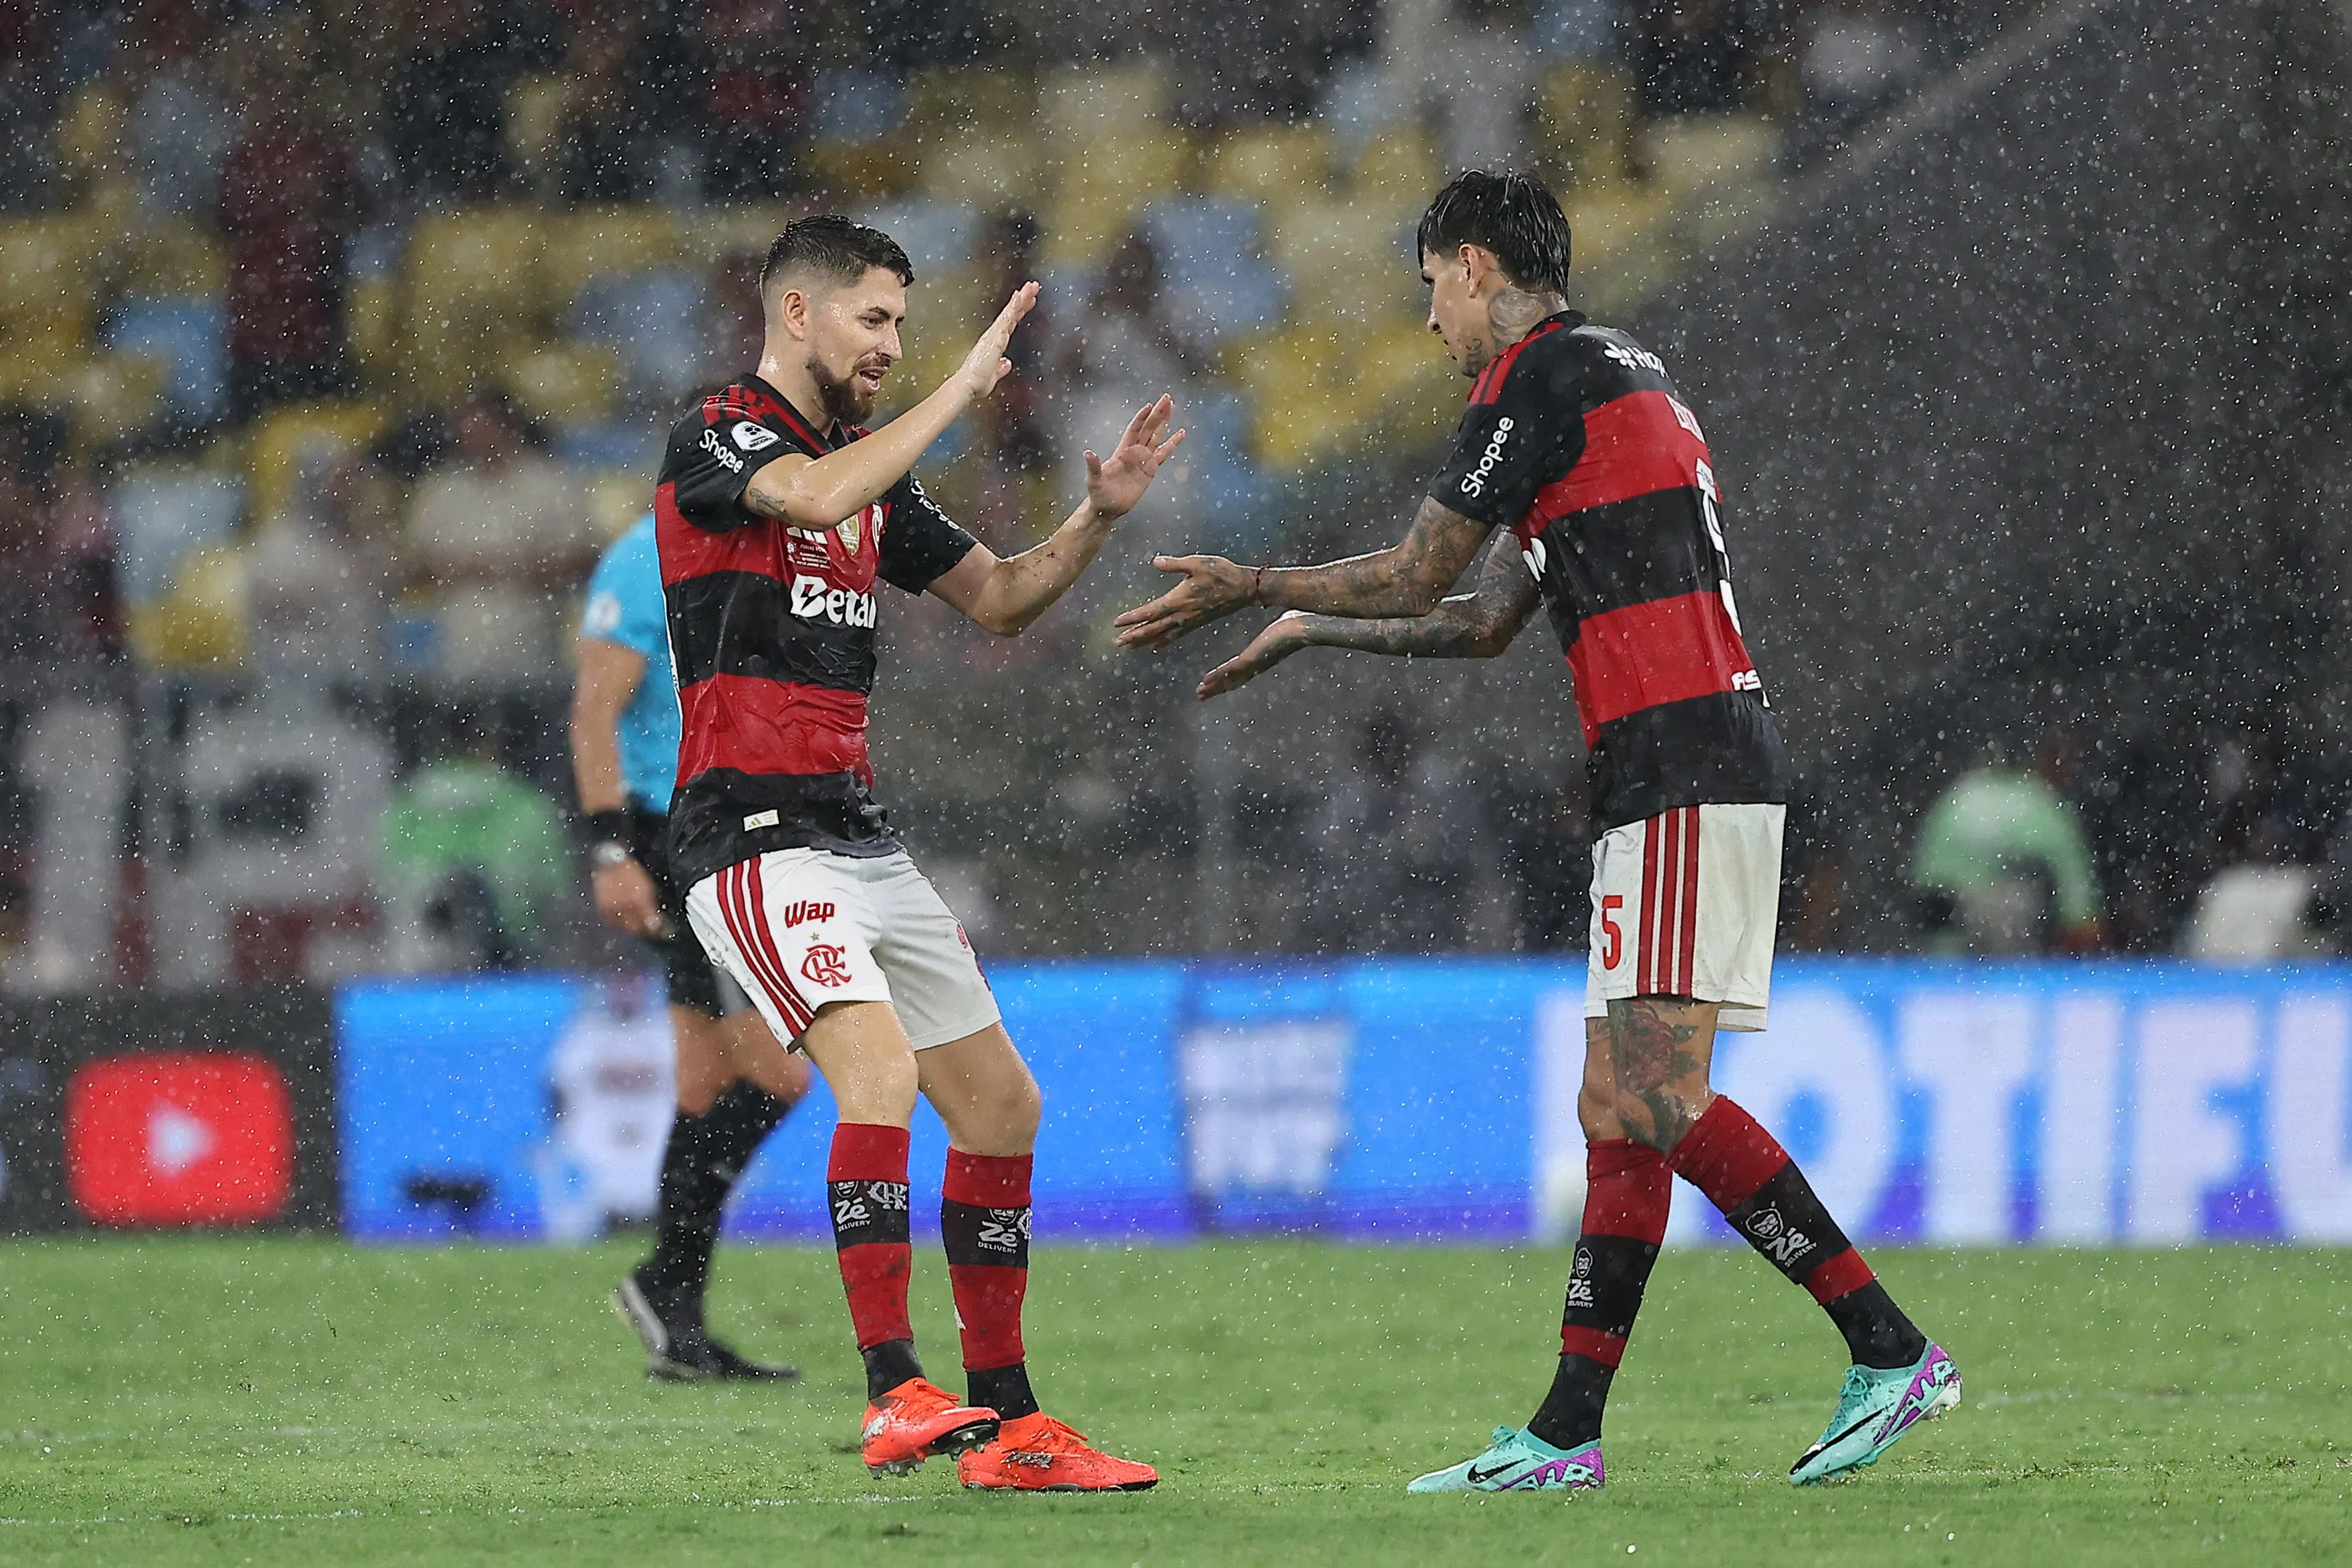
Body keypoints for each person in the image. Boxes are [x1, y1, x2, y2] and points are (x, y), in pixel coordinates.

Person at [1114, 171, 1957, 1492]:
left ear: (1471, 265)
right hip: (1670, 765)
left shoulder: (1540, 379)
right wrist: (1307, 633)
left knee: (1659, 1093)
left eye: (1430, 289)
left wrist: (1256, 581)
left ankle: (1886, 1341)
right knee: (1615, 1108)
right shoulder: (1622, 379)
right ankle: (1567, 1432)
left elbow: (1419, 569)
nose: (1432, 321)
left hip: (1682, 760)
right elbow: (1486, 615)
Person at [654, 216, 1182, 1489]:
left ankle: (1009, 1427)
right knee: (876, 1076)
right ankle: (896, 1391)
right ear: (798, 315)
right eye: (874, 320)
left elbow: (1000, 599)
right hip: (753, 837)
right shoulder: (720, 431)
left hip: (859, 836)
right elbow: (816, 492)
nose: (893, 344)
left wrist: (1096, 520)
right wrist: (961, 388)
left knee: (1005, 1106)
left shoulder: (870, 470)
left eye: (903, 323)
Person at [571, 510, 815, 1381]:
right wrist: (611, 850)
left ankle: (676, 1317)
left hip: (726, 831)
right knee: (780, 1076)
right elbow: (595, 710)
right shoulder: (645, 558)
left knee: (707, 1083)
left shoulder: (754, 556)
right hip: (679, 838)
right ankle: (665, 1283)